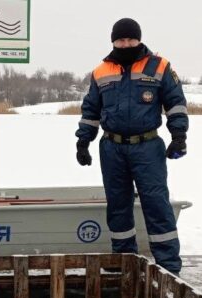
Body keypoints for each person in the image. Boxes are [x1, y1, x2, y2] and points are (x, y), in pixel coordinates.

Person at [74, 18, 188, 275]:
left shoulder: (159, 66)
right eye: (121, 40)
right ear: (113, 41)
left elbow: (175, 103)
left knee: (156, 204)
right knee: (118, 206)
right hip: (111, 148)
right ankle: (123, 262)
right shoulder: (101, 71)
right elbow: (91, 110)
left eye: (130, 39)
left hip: (147, 147)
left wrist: (179, 136)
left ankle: (168, 267)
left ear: (139, 39)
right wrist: (83, 141)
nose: (126, 44)